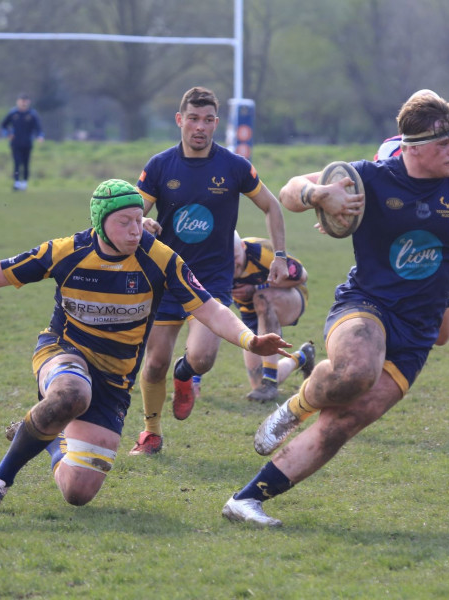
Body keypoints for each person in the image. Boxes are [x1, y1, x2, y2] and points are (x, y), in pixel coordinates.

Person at [220, 92, 449, 527]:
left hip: (418, 332)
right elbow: (288, 191)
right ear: (413, 148)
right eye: (443, 144)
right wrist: (318, 192)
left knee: (345, 422)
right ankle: (297, 406)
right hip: (366, 305)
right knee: (356, 371)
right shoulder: (370, 178)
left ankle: (247, 500)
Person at [0, 179, 291, 515]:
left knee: (78, 492)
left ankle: (48, 432)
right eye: (125, 222)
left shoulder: (160, 259)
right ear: (100, 223)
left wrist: (250, 340)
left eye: (139, 220)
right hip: (62, 351)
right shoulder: (66, 251)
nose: (136, 230)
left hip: (116, 377)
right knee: (72, 393)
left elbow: (209, 307)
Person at [128, 86, 288, 457]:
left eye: (208, 120)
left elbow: (272, 206)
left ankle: (186, 376)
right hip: (165, 278)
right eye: (193, 119)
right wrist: (143, 224)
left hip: (209, 281)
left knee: (202, 358)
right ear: (180, 120)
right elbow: (132, 213)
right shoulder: (159, 166)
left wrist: (279, 254)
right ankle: (151, 433)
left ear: (217, 123)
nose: (200, 127)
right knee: (153, 365)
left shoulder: (233, 167)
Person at [374, 108, 449, 358]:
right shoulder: (389, 149)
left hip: (445, 254)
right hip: (401, 249)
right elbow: (377, 194)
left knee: (440, 336)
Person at [195, 232, 315, 404]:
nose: (232, 264)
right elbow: (209, 312)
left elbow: (302, 276)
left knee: (261, 297)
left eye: (235, 257)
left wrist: (257, 287)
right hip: (250, 315)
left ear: (242, 247)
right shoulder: (217, 265)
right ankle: (302, 357)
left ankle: (270, 384)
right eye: (226, 259)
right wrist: (194, 377)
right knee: (258, 382)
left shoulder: (262, 252)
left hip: (291, 298)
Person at [0, 93, 45, 191]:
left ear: (28, 102)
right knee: (17, 163)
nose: (23, 104)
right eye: (21, 101)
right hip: (15, 143)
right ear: (18, 102)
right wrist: (8, 133)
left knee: (26, 163)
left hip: (27, 143)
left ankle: (24, 183)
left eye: (25, 102)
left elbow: (38, 128)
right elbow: (3, 125)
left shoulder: (32, 114)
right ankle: (16, 183)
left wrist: (40, 136)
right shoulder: (13, 113)